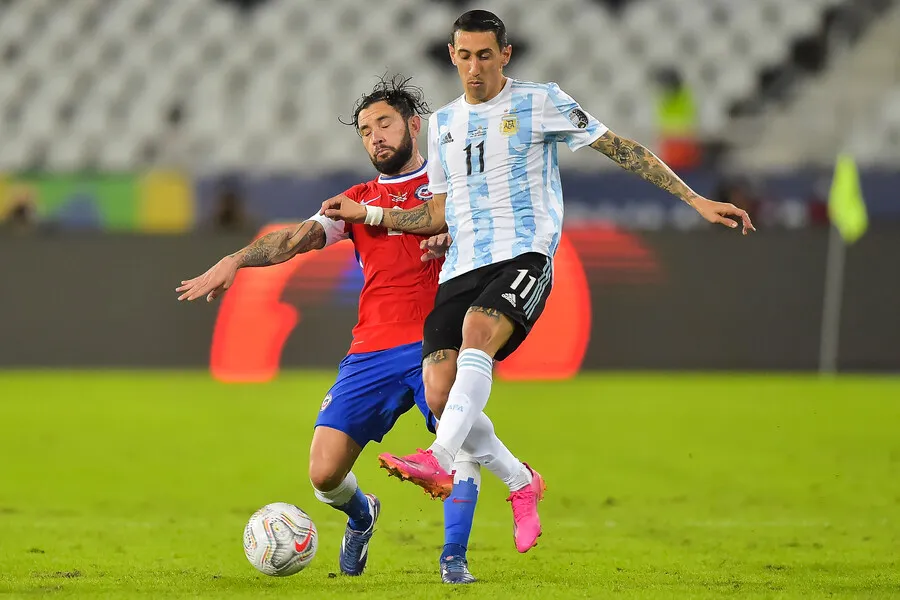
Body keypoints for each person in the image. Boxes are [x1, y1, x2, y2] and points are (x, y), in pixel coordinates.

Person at [322, 8, 756, 548]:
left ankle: (437, 458)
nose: (474, 67)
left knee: (479, 331)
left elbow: (620, 147)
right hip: (462, 268)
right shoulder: (445, 124)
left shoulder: (539, 101)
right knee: (438, 393)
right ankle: (521, 482)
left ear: (505, 55)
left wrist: (695, 199)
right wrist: (372, 216)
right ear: (452, 58)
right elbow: (435, 215)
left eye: (485, 55)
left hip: (523, 256)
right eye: (464, 56)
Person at [175, 75, 534, 584]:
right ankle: (363, 515)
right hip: (372, 348)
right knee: (323, 475)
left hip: (440, 336)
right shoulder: (357, 200)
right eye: (365, 131)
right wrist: (236, 259)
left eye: (384, 124)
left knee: (456, 440)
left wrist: (452, 240)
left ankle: (454, 558)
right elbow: (295, 241)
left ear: (414, 125)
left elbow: (488, 234)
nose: (375, 138)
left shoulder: (452, 185)